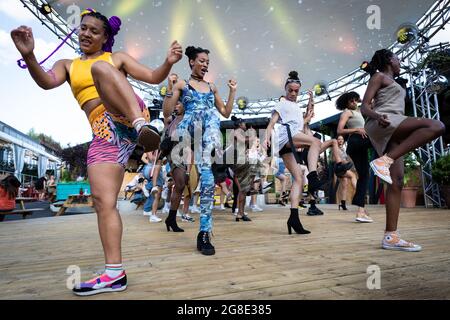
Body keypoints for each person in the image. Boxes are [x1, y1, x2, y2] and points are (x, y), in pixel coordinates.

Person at [11, 8, 182, 296]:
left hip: (127, 114)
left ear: (105, 38)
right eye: (83, 28)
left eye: (94, 30)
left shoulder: (114, 59)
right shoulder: (67, 64)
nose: (86, 33)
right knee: (104, 202)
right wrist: (29, 55)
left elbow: (153, 77)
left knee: (101, 69)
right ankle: (114, 274)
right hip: (103, 133)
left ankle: (144, 127)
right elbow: (46, 81)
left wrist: (168, 62)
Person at [360, 49, 445, 251]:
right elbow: (363, 107)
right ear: (390, 59)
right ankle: (384, 160)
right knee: (436, 126)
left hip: (393, 126)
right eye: (398, 58)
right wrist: (377, 115)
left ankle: (391, 236)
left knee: (396, 181)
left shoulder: (395, 81)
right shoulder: (379, 76)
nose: (400, 62)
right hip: (383, 122)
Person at [163, 46, 237, 255]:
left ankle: (204, 232)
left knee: (207, 182)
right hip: (189, 130)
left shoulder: (212, 87)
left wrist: (232, 91)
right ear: (191, 62)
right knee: (183, 178)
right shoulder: (182, 84)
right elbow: (167, 112)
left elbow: (225, 112)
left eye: (207, 62)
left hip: (209, 133)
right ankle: (171, 142)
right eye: (202, 61)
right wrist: (169, 88)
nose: (205, 65)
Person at [336, 92, 373, 222]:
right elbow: (339, 130)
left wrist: (360, 99)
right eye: (351, 101)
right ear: (346, 103)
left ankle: (361, 211)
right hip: (356, 141)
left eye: (355, 100)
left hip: (359, 144)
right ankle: (384, 159)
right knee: (380, 137)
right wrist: (356, 130)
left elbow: (370, 103)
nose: (354, 102)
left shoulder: (358, 110)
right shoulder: (346, 113)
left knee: (364, 176)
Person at [335, 135, 359, 213]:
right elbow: (339, 160)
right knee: (353, 175)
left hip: (343, 168)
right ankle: (358, 192)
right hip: (339, 168)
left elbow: (346, 159)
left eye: (342, 139)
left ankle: (343, 204)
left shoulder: (343, 149)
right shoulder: (336, 149)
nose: (340, 140)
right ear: (337, 140)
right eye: (339, 139)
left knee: (344, 184)